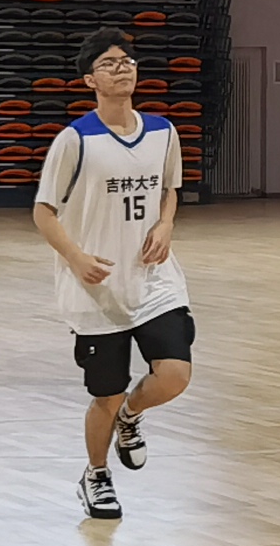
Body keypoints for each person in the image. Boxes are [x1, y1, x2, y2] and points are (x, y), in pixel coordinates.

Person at [34, 29, 191, 518]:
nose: (121, 68)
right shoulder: (75, 140)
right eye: (109, 63)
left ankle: (132, 415)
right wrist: (76, 257)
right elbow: (43, 211)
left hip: (154, 279)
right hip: (98, 289)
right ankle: (96, 474)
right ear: (89, 80)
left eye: (127, 61)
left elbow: (169, 189)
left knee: (175, 375)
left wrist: (165, 224)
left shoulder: (163, 132)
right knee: (106, 394)